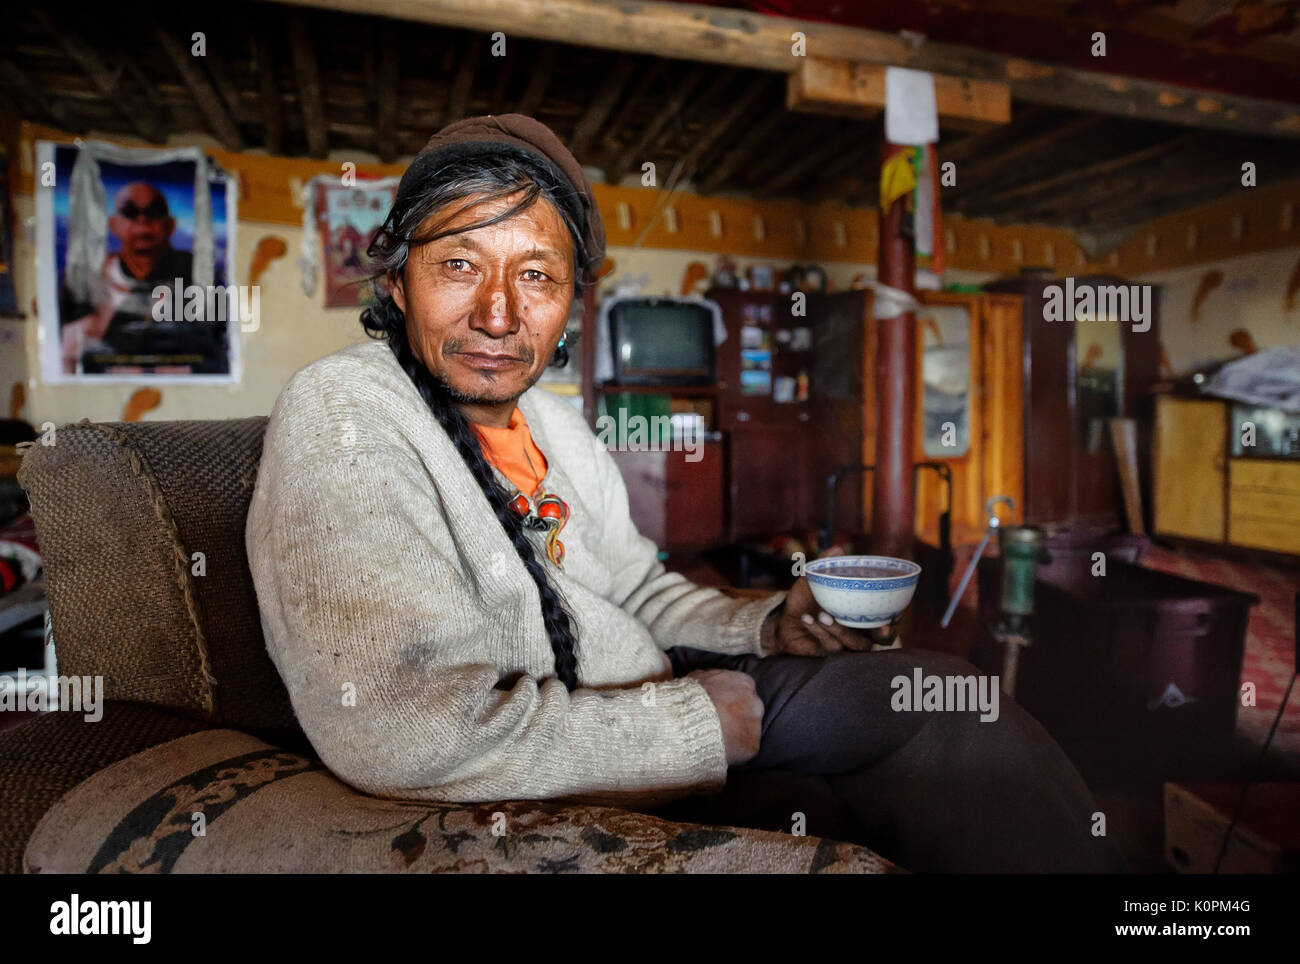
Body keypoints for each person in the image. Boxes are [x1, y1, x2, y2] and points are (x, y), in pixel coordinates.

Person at [245, 114, 1124, 874]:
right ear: (396, 281)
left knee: (945, 699)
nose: (502, 314)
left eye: (538, 275)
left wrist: (766, 624)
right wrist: (684, 730)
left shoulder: (556, 427)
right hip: (616, 733)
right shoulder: (345, 410)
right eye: (460, 265)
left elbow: (635, 587)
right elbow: (396, 726)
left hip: (666, 684)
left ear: (570, 304)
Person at [58, 181, 225, 374]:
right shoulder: (83, 283)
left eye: (154, 212)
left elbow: (216, 355)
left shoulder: (202, 278)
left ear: (170, 225)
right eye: (130, 212)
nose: (143, 220)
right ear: (113, 225)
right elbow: (66, 360)